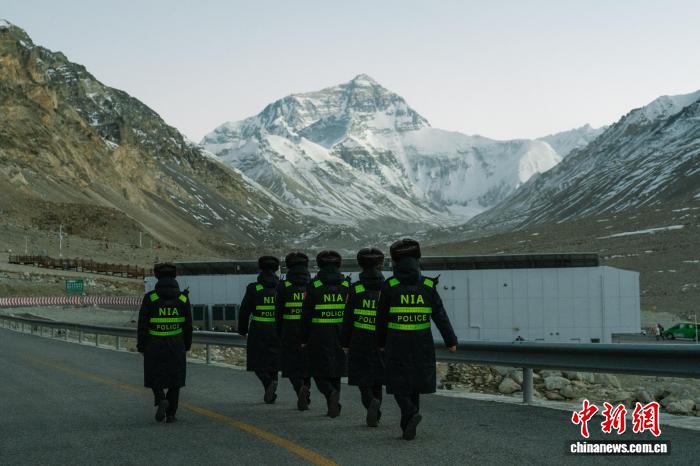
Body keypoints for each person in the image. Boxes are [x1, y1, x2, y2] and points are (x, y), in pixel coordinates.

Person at [376, 239, 458, 440]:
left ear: (395, 262)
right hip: (422, 343)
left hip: (396, 343)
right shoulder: (428, 285)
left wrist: (380, 343)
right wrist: (451, 341)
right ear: (417, 259)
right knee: (415, 383)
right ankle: (408, 428)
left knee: (398, 382)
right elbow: (440, 316)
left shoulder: (390, 285)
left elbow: (381, 318)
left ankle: (410, 413)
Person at [137, 262, 193, 423]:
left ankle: (161, 398)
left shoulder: (151, 298)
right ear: (174, 276)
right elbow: (188, 326)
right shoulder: (182, 298)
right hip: (176, 345)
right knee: (175, 379)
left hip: (154, 345)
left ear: (157, 277)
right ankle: (171, 415)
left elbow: (142, 325)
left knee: (154, 375)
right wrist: (186, 345)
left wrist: (141, 345)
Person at [300, 250, 348, 418]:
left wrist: (303, 338)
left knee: (317, 369)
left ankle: (329, 393)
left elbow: (306, 314)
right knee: (336, 370)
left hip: (319, 334)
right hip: (341, 333)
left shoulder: (314, 285)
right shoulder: (347, 285)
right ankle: (333, 404)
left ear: (320, 265)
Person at [342, 247, 386, 427]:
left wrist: (345, 342)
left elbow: (348, 318)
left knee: (362, 377)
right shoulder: (387, 287)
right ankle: (376, 408)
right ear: (380, 264)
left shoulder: (356, 288)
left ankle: (370, 403)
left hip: (360, 339)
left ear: (360, 265)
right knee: (378, 378)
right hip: (382, 340)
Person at [238, 256, 282, 404]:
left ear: (260, 269)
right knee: (274, 361)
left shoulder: (253, 288)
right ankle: (271, 391)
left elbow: (244, 311)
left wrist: (242, 330)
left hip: (259, 330)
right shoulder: (281, 287)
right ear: (276, 269)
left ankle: (268, 383)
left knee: (257, 361)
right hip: (277, 330)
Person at [275, 251, 312, 410]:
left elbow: (278, 313)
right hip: (309, 333)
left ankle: (299, 388)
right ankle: (306, 388)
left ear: (289, 267)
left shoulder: (284, 286)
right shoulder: (312, 285)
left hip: (289, 331)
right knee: (307, 364)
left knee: (290, 365)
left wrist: (278, 333)